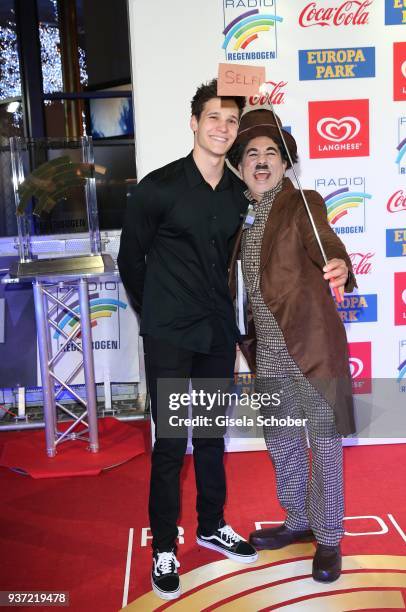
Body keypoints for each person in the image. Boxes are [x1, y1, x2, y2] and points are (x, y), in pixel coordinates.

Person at [117, 79, 258, 601]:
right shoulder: (158, 188)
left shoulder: (241, 194)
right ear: (194, 122)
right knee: (172, 444)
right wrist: (156, 311)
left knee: (213, 439)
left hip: (218, 333)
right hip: (171, 335)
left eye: (231, 121)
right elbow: (130, 260)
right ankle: (163, 547)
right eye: (213, 118)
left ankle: (211, 524)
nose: (223, 128)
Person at [227, 109, 357, 583]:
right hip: (265, 350)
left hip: (311, 343)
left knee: (323, 444)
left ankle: (328, 537)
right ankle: (299, 520)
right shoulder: (239, 218)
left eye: (271, 153)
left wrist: (339, 264)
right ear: (239, 165)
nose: (262, 162)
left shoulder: (302, 202)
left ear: (285, 163)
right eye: (252, 154)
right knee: (282, 442)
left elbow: (324, 240)